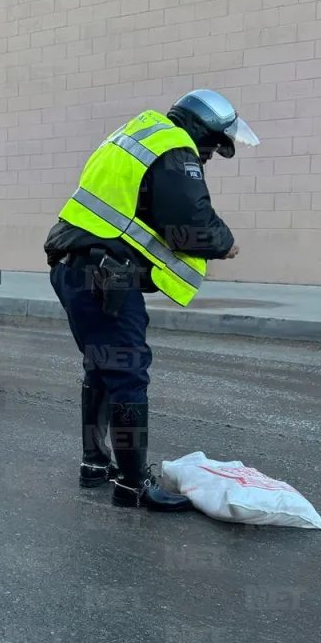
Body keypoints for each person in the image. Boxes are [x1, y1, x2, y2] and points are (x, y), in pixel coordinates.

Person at [44, 89, 259, 511]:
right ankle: (132, 486)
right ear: (200, 129)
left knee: (102, 366)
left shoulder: (136, 134)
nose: (210, 158)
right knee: (127, 375)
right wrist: (225, 243)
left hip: (73, 266)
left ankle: (95, 463)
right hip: (105, 275)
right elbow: (188, 223)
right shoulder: (175, 147)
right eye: (213, 148)